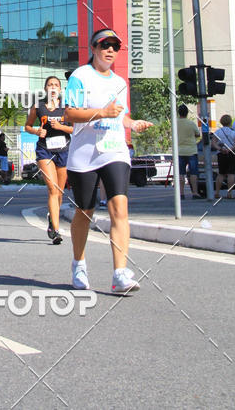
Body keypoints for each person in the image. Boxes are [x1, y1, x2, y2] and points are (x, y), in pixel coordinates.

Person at [64, 28, 153, 294]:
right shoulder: (80, 76)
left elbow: (120, 116)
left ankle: (119, 274)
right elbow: (70, 113)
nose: (111, 50)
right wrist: (101, 112)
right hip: (85, 154)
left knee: (119, 209)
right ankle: (79, 264)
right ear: (93, 49)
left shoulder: (120, 82)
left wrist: (132, 123)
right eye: (105, 45)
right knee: (85, 211)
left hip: (114, 150)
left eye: (115, 46)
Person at [25, 75, 73, 245]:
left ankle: (53, 221)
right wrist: (37, 131)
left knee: (59, 192)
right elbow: (28, 126)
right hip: (45, 151)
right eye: (50, 85)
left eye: (56, 85)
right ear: (45, 88)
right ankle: (57, 231)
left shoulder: (67, 108)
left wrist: (61, 127)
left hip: (63, 150)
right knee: (52, 189)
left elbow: (74, 128)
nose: (53, 87)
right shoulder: (38, 106)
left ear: (60, 90)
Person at [176, 104, 202, 199]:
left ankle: (181, 193)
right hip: (191, 151)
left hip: (179, 151)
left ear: (179, 113)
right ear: (187, 113)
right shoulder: (191, 123)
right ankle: (195, 192)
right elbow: (198, 134)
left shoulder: (175, 123)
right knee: (193, 173)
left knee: (180, 173)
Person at [212, 114, 235, 199]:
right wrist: (230, 149)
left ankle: (217, 192)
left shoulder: (218, 132)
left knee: (221, 173)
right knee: (231, 173)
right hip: (232, 154)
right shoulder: (233, 132)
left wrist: (220, 148)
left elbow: (213, 142)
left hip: (221, 154)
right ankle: (229, 193)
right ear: (230, 122)